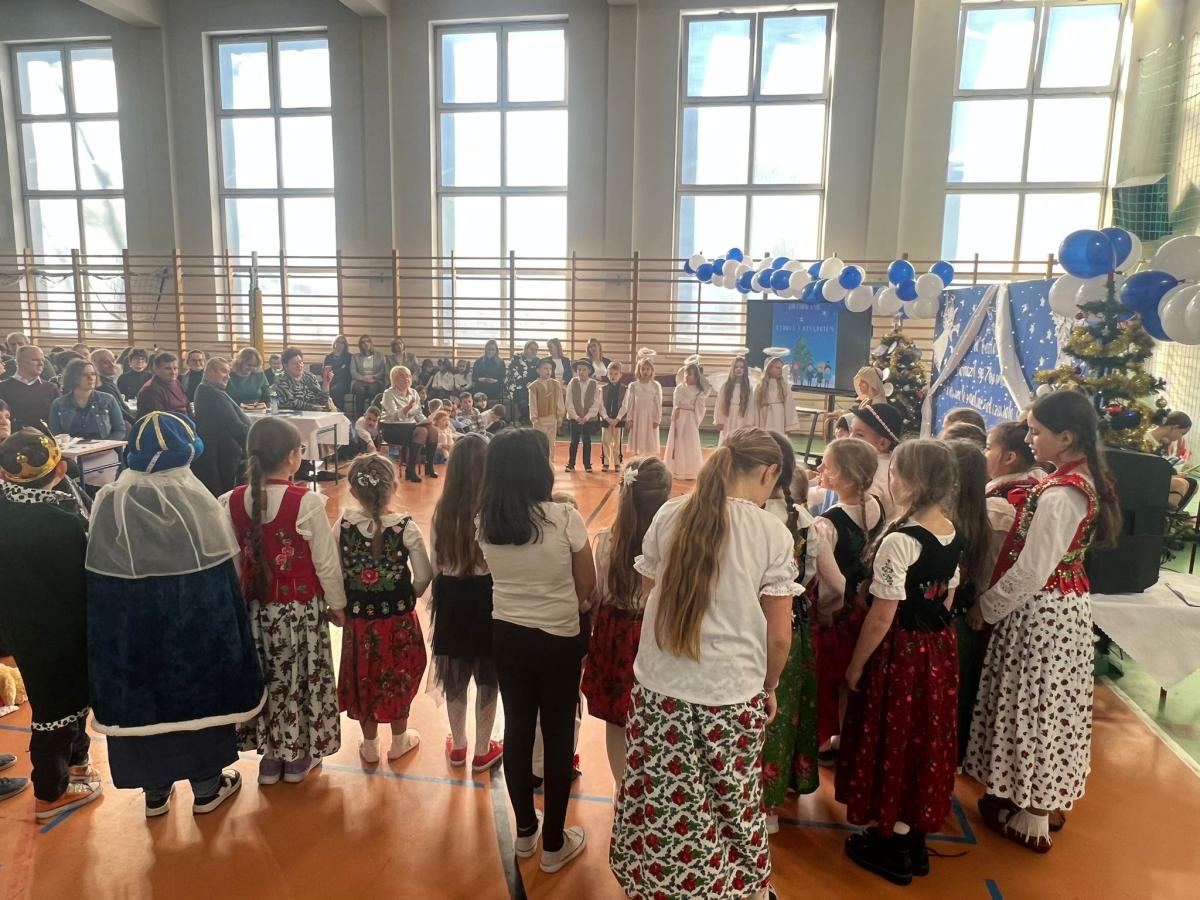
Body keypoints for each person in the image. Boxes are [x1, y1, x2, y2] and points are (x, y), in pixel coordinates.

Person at [610, 427, 795, 900]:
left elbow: (649, 600)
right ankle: (741, 888)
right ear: (770, 473)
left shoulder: (669, 514)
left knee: (662, 799)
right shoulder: (771, 532)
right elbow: (778, 635)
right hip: (730, 693)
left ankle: (658, 885)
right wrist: (770, 685)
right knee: (733, 800)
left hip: (661, 689)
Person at [964, 390, 1121, 853]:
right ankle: (1029, 798)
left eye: (1036, 431)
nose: (1029, 438)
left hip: (1043, 613)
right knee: (1045, 704)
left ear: (1066, 437)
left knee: (1035, 707)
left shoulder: (1062, 493)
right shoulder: (1074, 479)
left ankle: (1032, 815)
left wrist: (986, 608)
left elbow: (1033, 569)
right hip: (1060, 609)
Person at [85, 412, 262, 818]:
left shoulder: (110, 499)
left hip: (133, 633)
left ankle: (155, 792)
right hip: (193, 630)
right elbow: (228, 571)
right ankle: (206, 786)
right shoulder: (196, 499)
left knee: (144, 705)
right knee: (199, 700)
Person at [835, 439, 962, 886]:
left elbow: (882, 614)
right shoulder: (950, 531)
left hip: (901, 653)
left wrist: (856, 666)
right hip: (937, 649)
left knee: (894, 735)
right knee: (922, 738)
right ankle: (912, 835)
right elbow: (947, 596)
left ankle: (891, 842)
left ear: (907, 480)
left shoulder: (901, 540)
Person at [478, 429, 595, 873]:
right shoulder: (564, 518)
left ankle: (526, 831)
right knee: (559, 735)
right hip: (558, 638)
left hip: (507, 634)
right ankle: (554, 844)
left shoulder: (485, 521)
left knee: (518, 730)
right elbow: (587, 585)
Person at [221, 417, 347, 785]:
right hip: (300, 612)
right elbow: (326, 563)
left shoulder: (230, 500)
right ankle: (297, 756)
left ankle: (271, 757)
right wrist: (337, 604)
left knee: (268, 679)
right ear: (293, 456)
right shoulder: (306, 501)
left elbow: (232, 563)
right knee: (300, 680)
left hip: (255, 612)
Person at [0, 430, 100, 819]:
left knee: (64, 703)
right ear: (60, 470)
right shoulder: (61, 524)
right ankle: (50, 792)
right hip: (59, 631)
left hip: (20, 628)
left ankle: (77, 763)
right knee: (55, 711)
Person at [580, 456, 671, 785]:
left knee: (617, 720)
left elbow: (598, 594)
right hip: (657, 634)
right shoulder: (673, 543)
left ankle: (621, 788)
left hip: (616, 635)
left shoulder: (608, 539)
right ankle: (651, 787)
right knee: (657, 717)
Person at [335, 454, 431, 763]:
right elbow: (424, 575)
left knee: (365, 676)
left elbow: (335, 572)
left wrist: (340, 604)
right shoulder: (406, 527)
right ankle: (399, 741)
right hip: (398, 620)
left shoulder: (343, 525)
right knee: (398, 674)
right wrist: (407, 596)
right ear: (395, 486)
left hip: (359, 621)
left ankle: (370, 744)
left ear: (353, 490)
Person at [428, 434, 503, 772]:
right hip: (488, 596)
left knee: (455, 675)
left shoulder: (442, 512)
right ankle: (483, 749)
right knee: (488, 674)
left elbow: (435, 565)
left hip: (451, 596)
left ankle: (458, 745)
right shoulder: (495, 512)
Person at [809, 438, 883, 762]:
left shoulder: (827, 523)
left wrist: (827, 613)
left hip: (839, 614)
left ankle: (826, 742)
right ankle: (848, 737)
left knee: (828, 678)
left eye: (827, 466)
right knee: (852, 678)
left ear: (847, 479)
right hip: (865, 606)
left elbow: (833, 583)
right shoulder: (877, 506)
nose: (820, 469)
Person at [760, 434, 820, 834]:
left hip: (751, 628)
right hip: (790, 625)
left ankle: (746, 802)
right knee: (780, 716)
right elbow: (810, 576)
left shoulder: (752, 518)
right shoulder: (804, 519)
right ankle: (770, 806)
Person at [946, 439, 991, 765]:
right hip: (963, 618)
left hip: (944, 620)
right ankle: (951, 760)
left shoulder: (948, 524)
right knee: (958, 696)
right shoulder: (979, 520)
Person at [982, 421, 1043, 582]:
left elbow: (989, 564)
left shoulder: (997, 504)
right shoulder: (1037, 486)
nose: (983, 453)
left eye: (988, 448)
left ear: (1009, 457)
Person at [192, 357, 250, 497]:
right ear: (210, 372)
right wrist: (255, 439)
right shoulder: (210, 393)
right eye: (223, 371)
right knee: (225, 496)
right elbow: (235, 427)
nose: (228, 376)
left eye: (229, 372)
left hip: (223, 451)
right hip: (220, 454)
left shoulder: (213, 390)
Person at [379, 366, 439, 483]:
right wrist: (408, 407)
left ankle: (429, 466)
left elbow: (418, 414)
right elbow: (394, 416)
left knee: (432, 430)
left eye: (408, 376)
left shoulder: (414, 392)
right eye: (402, 376)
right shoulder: (388, 393)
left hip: (411, 427)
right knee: (421, 431)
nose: (406, 379)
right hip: (392, 428)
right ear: (394, 379)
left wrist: (427, 421)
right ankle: (410, 470)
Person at [49, 358, 126, 440]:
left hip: (103, 445)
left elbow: (120, 430)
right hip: (72, 446)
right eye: (84, 375)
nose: (91, 378)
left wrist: (106, 444)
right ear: (73, 377)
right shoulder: (59, 404)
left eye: (93, 374)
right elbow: (55, 433)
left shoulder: (108, 400)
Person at [849, 403, 904, 519]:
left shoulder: (872, 473)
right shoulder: (891, 461)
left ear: (882, 443)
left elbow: (861, 518)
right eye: (851, 431)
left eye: (859, 435)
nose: (850, 439)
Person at [0, 345, 59, 430]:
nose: (41, 364)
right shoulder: (2, 388)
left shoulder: (51, 388)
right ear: (20, 362)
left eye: (42, 360)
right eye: (35, 360)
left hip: (45, 437)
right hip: (13, 437)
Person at [664, 363, 705, 480]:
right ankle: (675, 468)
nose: (687, 376)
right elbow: (676, 402)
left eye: (690, 374)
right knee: (678, 441)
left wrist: (696, 420)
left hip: (691, 419)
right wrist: (677, 412)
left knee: (689, 441)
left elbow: (700, 407)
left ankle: (689, 470)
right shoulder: (679, 388)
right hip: (679, 417)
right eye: (686, 373)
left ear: (696, 376)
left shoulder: (699, 391)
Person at [1149, 411, 1195, 508]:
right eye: (1182, 433)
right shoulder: (1146, 442)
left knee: (1191, 482)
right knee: (1180, 484)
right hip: (1141, 482)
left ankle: (1169, 513)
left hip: (1148, 478)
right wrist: (1172, 476)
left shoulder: (1158, 442)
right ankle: (1165, 513)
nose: (1180, 437)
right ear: (1174, 427)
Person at [620, 355, 662, 460]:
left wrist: (657, 419)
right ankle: (638, 460)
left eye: (647, 369)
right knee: (637, 441)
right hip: (637, 416)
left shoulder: (655, 385)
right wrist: (629, 418)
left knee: (649, 441)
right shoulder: (633, 385)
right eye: (642, 369)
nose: (645, 371)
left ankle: (648, 460)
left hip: (650, 417)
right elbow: (630, 403)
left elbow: (658, 404)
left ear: (651, 370)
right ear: (638, 370)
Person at [271, 348, 334, 412]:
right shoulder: (281, 379)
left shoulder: (310, 377)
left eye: (300, 362)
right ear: (286, 366)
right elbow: (290, 402)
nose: (299, 365)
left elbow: (322, 401)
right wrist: (314, 408)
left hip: (316, 413)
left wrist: (326, 383)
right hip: (292, 415)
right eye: (295, 363)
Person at [565, 360, 601, 473]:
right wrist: (575, 416)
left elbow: (596, 402)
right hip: (574, 418)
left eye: (584, 370)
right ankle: (571, 464)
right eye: (579, 369)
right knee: (574, 441)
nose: (581, 372)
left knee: (587, 441)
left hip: (587, 419)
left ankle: (587, 464)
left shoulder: (594, 384)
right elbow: (569, 401)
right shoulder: (573, 382)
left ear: (589, 371)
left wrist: (587, 417)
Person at [528, 360, 565, 463]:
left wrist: (560, 415)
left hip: (552, 417)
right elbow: (532, 403)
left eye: (550, 368)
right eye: (545, 368)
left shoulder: (556, 384)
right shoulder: (534, 386)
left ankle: (550, 461)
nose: (548, 371)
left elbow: (559, 400)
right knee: (539, 441)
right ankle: (539, 462)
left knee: (551, 441)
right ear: (538, 370)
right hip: (539, 419)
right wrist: (534, 418)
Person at [136, 352, 189, 419]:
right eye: (168, 368)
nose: (173, 372)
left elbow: (187, 405)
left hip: (185, 422)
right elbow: (160, 420)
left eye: (175, 368)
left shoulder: (176, 382)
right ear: (156, 369)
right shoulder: (150, 390)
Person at [754, 357, 800, 434]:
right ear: (769, 369)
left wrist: (789, 426)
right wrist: (755, 425)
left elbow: (789, 407)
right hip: (764, 417)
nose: (780, 370)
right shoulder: (760, 387)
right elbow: (755, 407)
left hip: (779, 418)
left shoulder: (784, 386)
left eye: (781, 367)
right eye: (778, 368)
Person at [715, 356, 755, 444]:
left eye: (741, 367)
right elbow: (719, 404)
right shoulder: (725, 386)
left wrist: (749, 424)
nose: (739, 369)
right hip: (728, 418)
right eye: (736, 367)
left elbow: (751, 407)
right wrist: (719, 421)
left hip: (742, 419)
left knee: (740, 441)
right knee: (727, 440)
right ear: (732, 369)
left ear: (745, 370)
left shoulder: (749, 388)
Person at [90, 348, 135, 425]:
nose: (112, 365)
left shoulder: (108, 381)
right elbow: (119, 411)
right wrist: (137, 423)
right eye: (106, 362)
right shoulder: (102, 386)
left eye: (113, 361)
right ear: (94, 364)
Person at [506, 341, 541, 425]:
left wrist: (533, 384)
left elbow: (539, 375)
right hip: (517, 385)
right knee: (523, 396)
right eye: (532, 349)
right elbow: (514, 374)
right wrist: (526, 384)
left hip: (533, 386)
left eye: (536, 350)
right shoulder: (516, 358)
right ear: (525, 349)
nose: (534, 352)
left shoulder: (538, 361)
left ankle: (533, 418)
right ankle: (526, 418)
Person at [599, 361, 626, 473]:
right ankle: (605, 462)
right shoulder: (603, 389)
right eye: (610, 373)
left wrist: (618, 418)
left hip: (618, 420)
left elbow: (625, 405)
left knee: (617, 442)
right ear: (607, 374)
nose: (613, 376)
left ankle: (617, 463)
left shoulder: (625, 389)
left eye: (615, 374)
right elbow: (600, 405)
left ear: (620, 375)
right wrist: (606, 417)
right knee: (605, 441)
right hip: (606, 419)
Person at [351, 336, 387, 415]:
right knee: (360, 390)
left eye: (367, 341)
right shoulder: (355, 357)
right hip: (359, 381)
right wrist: (363, 378)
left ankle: (373, 415)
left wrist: (374, 377)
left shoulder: (380, 356)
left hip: (375, 380)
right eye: (363, 342)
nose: (366, 343)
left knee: (373, 389)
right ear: (360, 345)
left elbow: (383, 371)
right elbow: (353, 372)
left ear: (371, 343)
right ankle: (359, 416)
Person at [472, 340, 506, 405]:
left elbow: (502, 379)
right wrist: (480, 379)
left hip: (494, 388)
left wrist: (495, 381)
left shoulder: (501, 362)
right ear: (486, 350)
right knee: (479, 392)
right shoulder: (478, 361)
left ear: (496, 350)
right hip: (481, 387)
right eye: (488, 349)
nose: (490, 351)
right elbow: (474, 377)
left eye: (492, 349)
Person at [324, 335, 353, 412]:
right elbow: (324, 371)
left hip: (344, 382)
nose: (340, 344)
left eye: (342, 343)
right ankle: (327, 411)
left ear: (345, 345)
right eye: (338, 342)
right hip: (330, 381)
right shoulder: (328, 357)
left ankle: (338, 412)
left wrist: (334, 372)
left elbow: (347, 373)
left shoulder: (349, 357)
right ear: (334, 343)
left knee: (336, 389)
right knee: (321, 389)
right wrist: (340, 369)